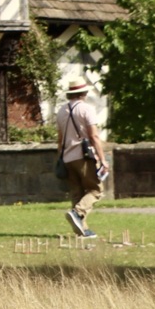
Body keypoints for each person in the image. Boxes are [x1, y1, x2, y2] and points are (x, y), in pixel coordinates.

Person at [56, 77, 109, 238]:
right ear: (84, 92)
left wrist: (60, 158)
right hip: (83, 156)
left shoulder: (61, 111)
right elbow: (93, 136)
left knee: (77, 193)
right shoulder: (87, 109)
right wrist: (102, 159)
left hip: (67, 157)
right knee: (96, 189)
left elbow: (60, 139)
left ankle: (82, 230)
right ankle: (77, 212)